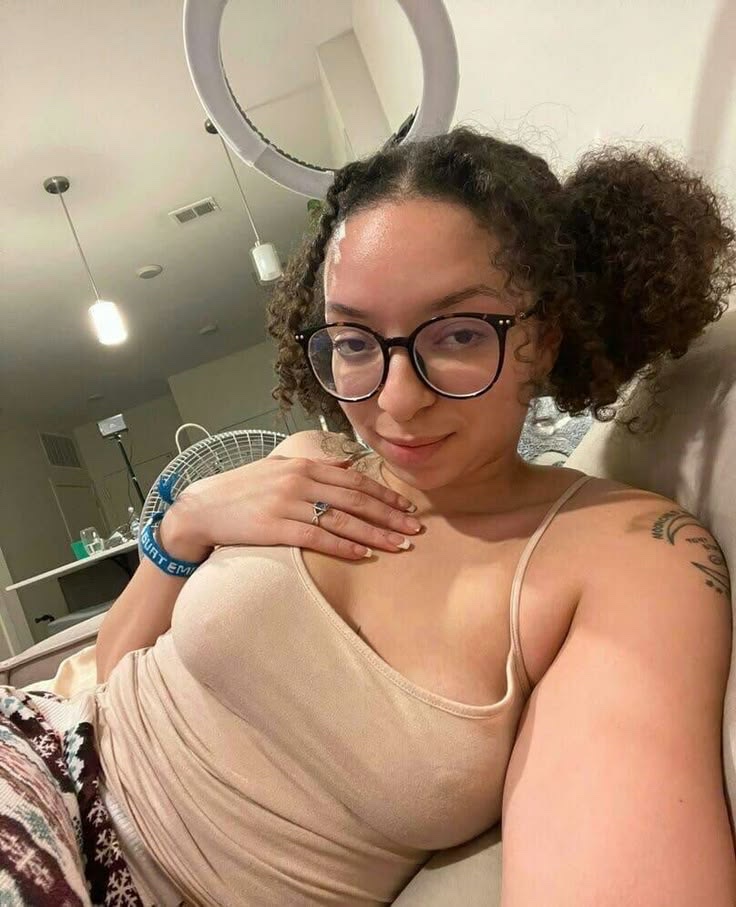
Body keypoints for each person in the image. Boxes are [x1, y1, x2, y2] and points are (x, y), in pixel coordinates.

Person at [2, 127, 735, 906]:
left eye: (458, 333)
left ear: (546, 335)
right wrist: (186, 523)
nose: (395, 399)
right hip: (35, 758)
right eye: (355, 341)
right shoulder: (307, 461)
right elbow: (110, 670)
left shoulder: (622, 552)